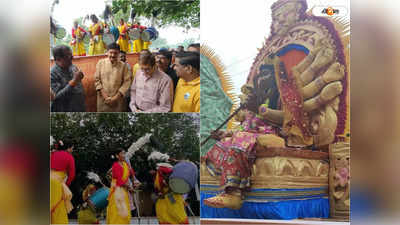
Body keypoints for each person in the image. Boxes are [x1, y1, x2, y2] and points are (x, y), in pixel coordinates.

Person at [94, 43, 131, 112]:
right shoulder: (100, 63)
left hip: (117, 101)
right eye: (111, 52)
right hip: (103, 100)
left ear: (119, 53)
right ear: (107, 52)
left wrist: (115, 98)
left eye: (115, 53)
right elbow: (97, 80)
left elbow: (127, 82)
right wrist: (105, 97)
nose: (113, 55)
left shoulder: (124, 66)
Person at [51, 45, 86, 112]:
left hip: (79, 108)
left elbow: (79, 87)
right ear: (58, 59)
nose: (72, 57)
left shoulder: (73, 67)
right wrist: (74, 81)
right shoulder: (52, 74)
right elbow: (56, 97)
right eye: (68, 56)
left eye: (71, 55)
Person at [50, 139, 76, 224]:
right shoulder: (69, 157)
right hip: (57, 183)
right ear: (68, 148)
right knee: (58, 207)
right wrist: (66, 184)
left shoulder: (52, 154)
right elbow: (72, 174)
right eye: (72, 148)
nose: (72, 150)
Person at [106, 149, 134, 224]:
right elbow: (118, 181)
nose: (124, 155)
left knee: (124, 213)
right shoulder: (115, 165)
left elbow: (131, 174)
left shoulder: (126, 165)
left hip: (124, 191)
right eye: (122, 153)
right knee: (117, 213)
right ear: (117, 156)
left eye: (124, 153)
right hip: (117, 192)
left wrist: (135, 182)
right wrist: (129, 187)